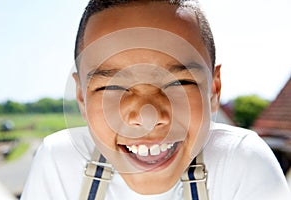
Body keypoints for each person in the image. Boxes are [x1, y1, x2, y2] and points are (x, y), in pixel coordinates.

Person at [21, 0, 291, 199]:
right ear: (81, 96)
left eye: (179, 83)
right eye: (112, 87)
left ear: (214, 90)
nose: (147, 116)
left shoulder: (241, 162)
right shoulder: (59, 162)